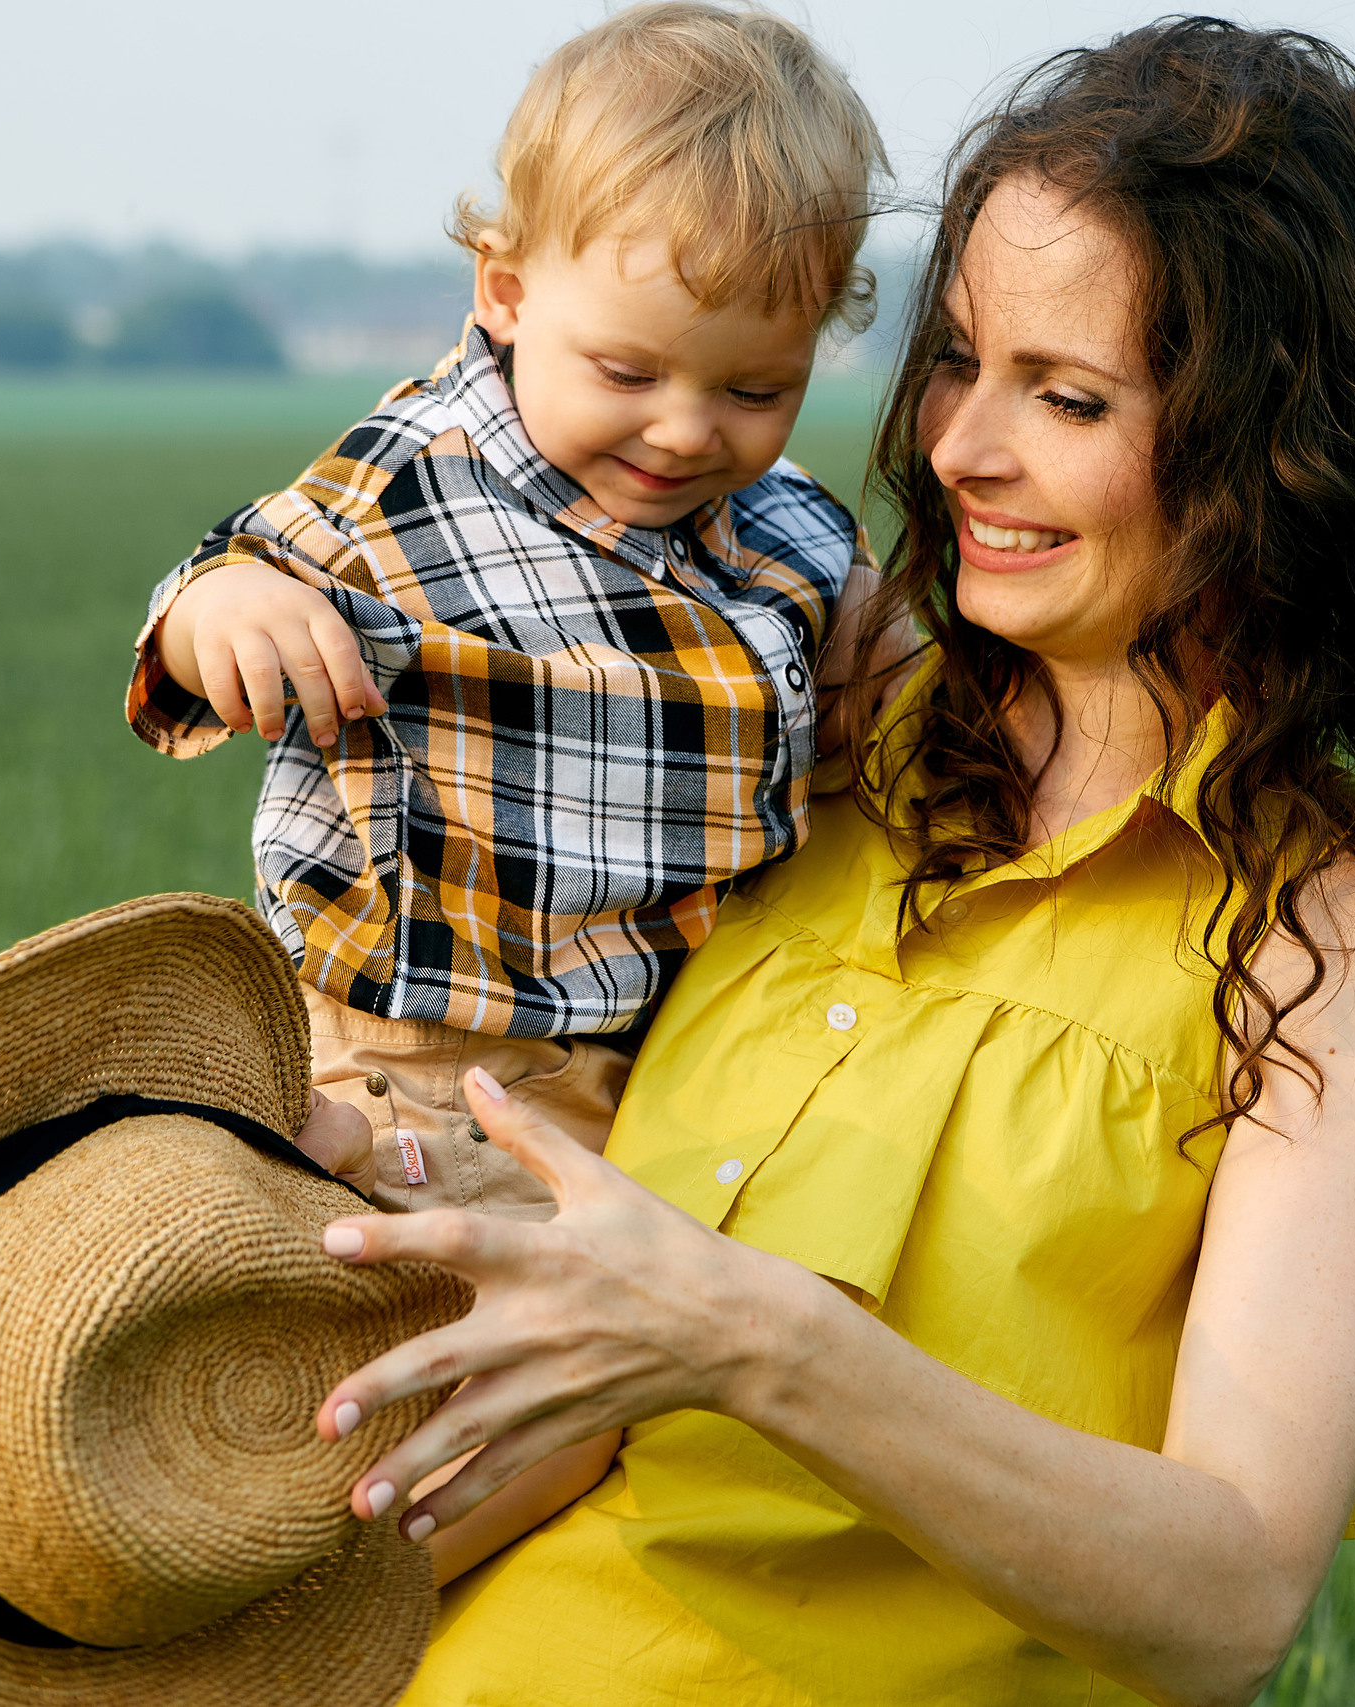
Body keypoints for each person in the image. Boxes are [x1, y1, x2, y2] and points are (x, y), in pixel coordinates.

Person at [304, 19, 1355, 1706]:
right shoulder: (812, 733)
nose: (959, 450)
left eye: (1064, 397)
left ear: (1274, 452)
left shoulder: (1343, 948)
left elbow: (1225, 1594)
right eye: (958, 364)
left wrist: (751, 1337)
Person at [127, 0, 886, 1239]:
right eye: (629, 374)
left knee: (636, 1348)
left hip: (683, 1043)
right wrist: (229, 605)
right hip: (425, 1047)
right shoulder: (416, 475)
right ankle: (306, 1150)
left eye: (757, 388)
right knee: (465, 1337)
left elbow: (884, 704)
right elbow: (222, 584)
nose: (689, 429)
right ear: (510, 292)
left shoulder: (792, 532)